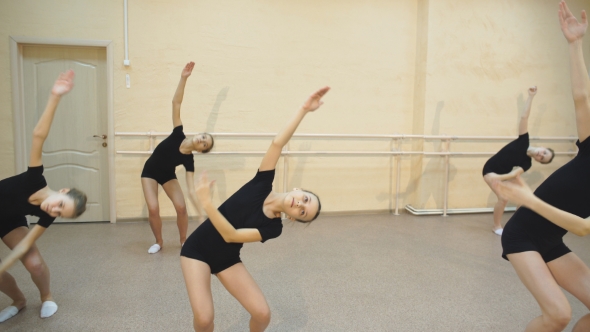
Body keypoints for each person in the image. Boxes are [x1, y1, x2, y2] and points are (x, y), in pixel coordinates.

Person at [180, 86, 328, 332]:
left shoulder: (274, 227)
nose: (300, 205)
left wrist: (206, 202)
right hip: (197, 250)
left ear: (293, 219)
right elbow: (277, 143)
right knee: (205, 319)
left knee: (262, 314)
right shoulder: (262, 182)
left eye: (303, 212)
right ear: (297, 189)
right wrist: (303, 110)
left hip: (226, 257)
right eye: (304, 199)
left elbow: (232, 236)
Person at [491, 2, 590, 331]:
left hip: (552, 238)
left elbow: (583, 228)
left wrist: (530, 199)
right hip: (522, 236)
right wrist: (575, 45)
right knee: (559, 315)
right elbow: (582, 97)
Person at [0, 70, 87, 322]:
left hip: (9, 221)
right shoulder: (34, 179)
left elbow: (25, 245)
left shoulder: (47, 216)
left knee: (35, 263)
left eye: (60, 213)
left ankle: (47, 296)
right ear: (62, 191)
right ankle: (18, 300)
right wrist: (55, 97)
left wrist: (4, 264)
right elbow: (39, 136)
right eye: (60, 205)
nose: (54, 211)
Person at [141, 62, 214, 254]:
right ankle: (158, 241)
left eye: (205, 144)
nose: (202, 140)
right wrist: (184, 78)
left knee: (181, 208)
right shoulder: (178, 133)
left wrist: (200, 213)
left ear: (200, 150)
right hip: (149, 172)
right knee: (154, 208)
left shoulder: (189, 161)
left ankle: (184, 241)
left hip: (167, 175)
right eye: (204, 137)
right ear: (199, 134)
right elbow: (176, 103)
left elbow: (191, 190)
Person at [482, 86, 555, 235]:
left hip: (500, 174)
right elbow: (524, 117)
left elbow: (513, 175)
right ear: (542, 147)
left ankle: (517, 223)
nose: (541, 155)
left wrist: (498, 178)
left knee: (522, 195)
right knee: (503, 199)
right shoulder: (523, 140)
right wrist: (531, 96)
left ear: (539, 161)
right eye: (544, 152)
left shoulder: (526, 163)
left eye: (542, 158)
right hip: (489, 170)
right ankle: (496, 226)